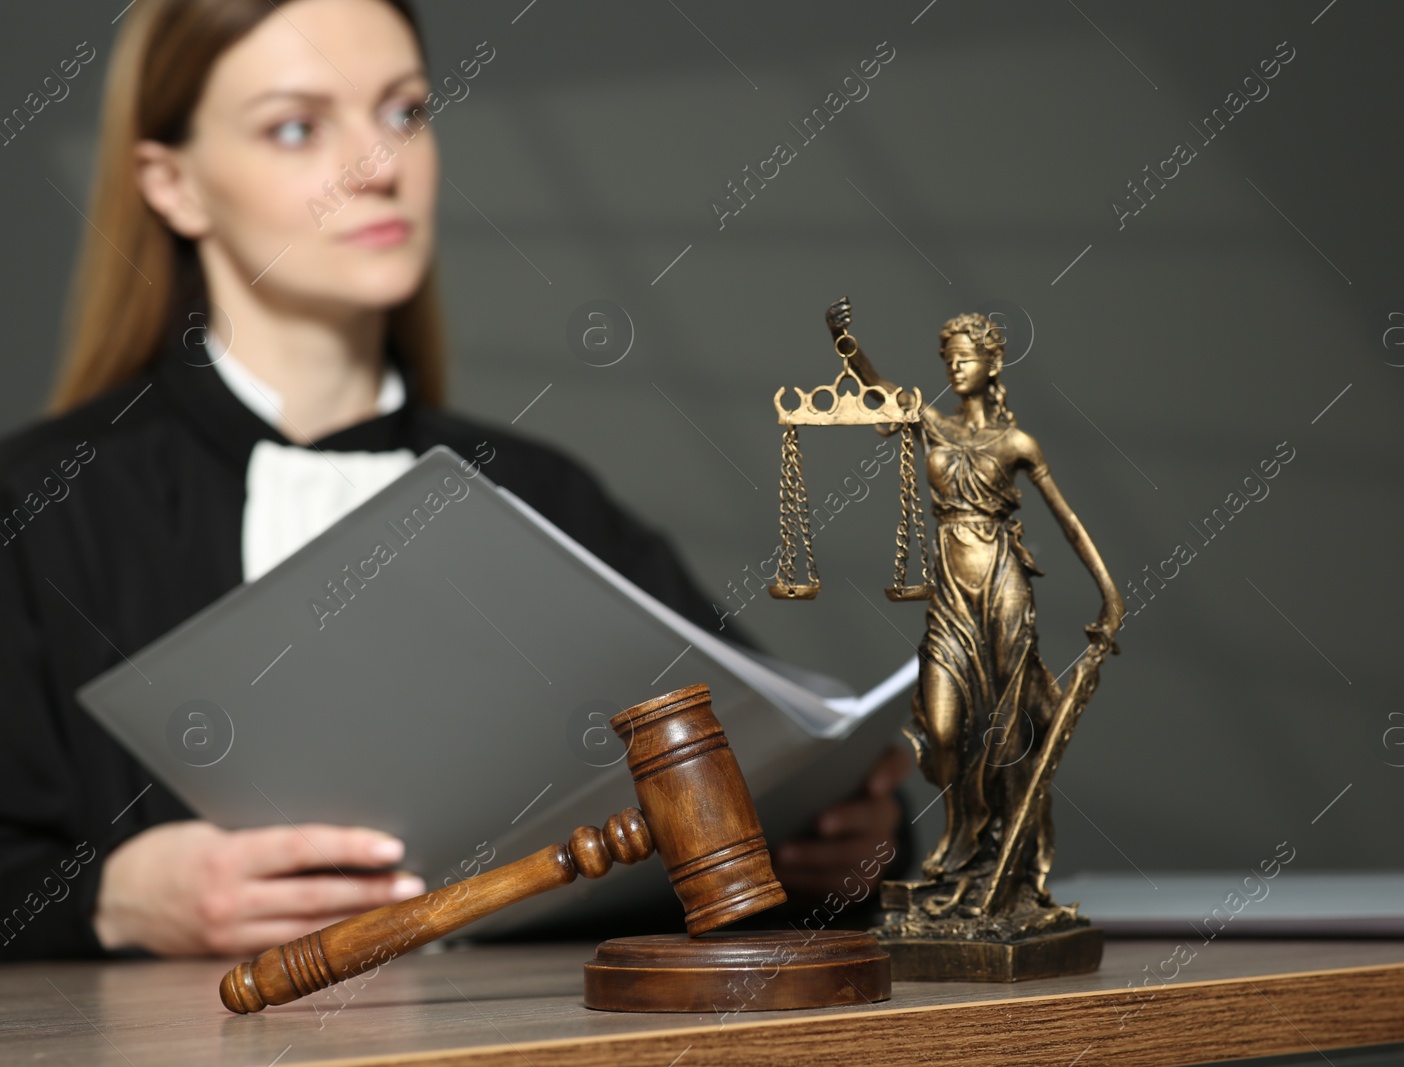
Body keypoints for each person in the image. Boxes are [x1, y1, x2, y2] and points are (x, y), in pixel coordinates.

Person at [0, 0, 909, 961]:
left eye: (403, 112)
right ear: (171, 184)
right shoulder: (37, 511)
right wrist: (108, 900)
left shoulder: (547, 495)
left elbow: (786, 760)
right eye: (298, 127)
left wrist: (853, 845)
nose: (379, 167)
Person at [827, 299, 1122, 916]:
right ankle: (965, 845)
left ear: (993, 364)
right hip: (949, 598)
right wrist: (847, 346)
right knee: (942, 732)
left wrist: (1109, 593)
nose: (954, 369)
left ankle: (1002, 869)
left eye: (965, 359)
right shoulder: (937, 425)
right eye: (948, 360)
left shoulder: (1016, 442)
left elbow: (1066, 520)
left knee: (1008, 731)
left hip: (1003, 587)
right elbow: (883, 394)